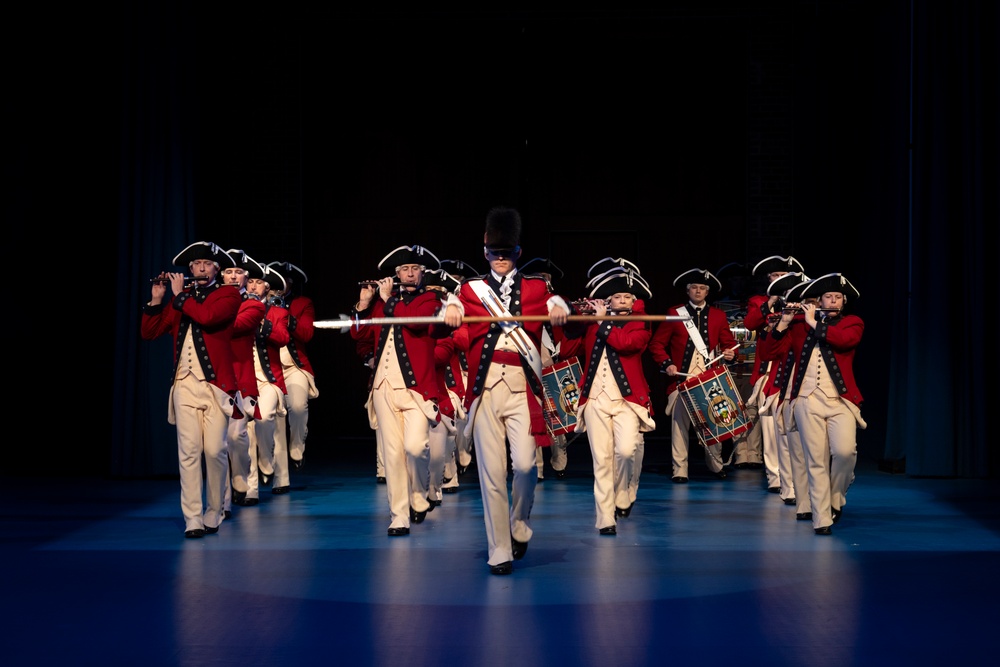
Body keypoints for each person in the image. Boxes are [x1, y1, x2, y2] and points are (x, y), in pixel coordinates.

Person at [441, 206, 570, 575]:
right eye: (494, 252)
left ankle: (519, 521)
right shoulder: (469, 290)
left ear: (518, 252)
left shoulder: (537, 287)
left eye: (507, 252)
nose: (500, 258)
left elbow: (557, 305)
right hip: (485, 390)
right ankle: (499, 549)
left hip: (521, 386)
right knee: (492, 474)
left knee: (526, 467)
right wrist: (450, 309)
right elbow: (452, 306)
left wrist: (560, 306)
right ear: (485, 251)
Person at [141, 241, 242, 538]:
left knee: (214, 451)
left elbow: (208, 317)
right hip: (184, 384)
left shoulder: (228, 294)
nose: (200, 268)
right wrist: (157, 299)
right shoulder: (180, 297)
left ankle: (214, 509)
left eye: (207, 264)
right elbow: (150, 332)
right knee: (188, 452)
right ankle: (193, 518)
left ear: (216, 269)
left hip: (216, 386)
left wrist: (179, 297)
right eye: (196, 264)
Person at [350, 245, 451, 536]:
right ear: (396, 274)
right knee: (393, 454)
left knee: (416, 448)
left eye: (415, 269)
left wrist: (386, 300)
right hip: (383, 386)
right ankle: (398, 515)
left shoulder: (431, 299)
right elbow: (359, 333)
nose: (410, 274)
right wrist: (363, 304)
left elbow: (414, 321)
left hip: (416, 388)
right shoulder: (382, 303)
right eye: (404, 269)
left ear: (422, 273)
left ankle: (419, 493)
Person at [759, 273, 865, 535]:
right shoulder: (798, 325)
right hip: (807, 400)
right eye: (828, 297)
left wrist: (812, 322)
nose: (833, 301)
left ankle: (836, 498)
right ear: (820, 300)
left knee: (845, 453)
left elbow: (846, 340)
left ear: (844, 301)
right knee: (815, 460)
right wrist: (783, 323)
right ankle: (821, 519)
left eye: (838, 297)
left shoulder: (852, 322)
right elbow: (769, 353)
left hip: (840, 401)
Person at [567, 265, 655, 535]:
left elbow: (627, 344)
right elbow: (568, 339)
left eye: (628, 297)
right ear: (608, 300)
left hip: (627, 400)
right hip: (595, 397)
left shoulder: (642, 321)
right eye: (618, 297)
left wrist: (601, 321)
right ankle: (605, 517)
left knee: (626, 451)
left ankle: (624, 490)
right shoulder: (592, 320)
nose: (623, 301)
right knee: (601, 459)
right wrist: (570, 312)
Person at [647, 268, 738, 483]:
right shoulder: (675, 313)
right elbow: (656, 344)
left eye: (702, 288)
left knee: (714, 423)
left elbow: (729, 344)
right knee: (680, 427)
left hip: (709, 379)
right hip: (681, 379)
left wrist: (731, 353)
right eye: (694, 287)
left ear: (707, 292)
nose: (698, 291)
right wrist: (667, 363)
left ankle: (716, 465)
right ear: (688, 291)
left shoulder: (718, 315)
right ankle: (680, 469)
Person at [743, 255, 807, 497]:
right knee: (770, 429)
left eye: (784, 276)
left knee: (792, 430)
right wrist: (770, 302)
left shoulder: (802, 302)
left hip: (793, 370)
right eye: (775, 276)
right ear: (769, 279)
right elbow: (750, 324)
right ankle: (775, 477)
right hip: (767, 370)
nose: (780, 279)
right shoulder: (760, 301)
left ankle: (795, 478)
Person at [520, 257, 575, 482]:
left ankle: (559, 461)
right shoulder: (524, 303)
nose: (545, 280)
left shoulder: (561, 302)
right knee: (533, 416)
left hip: (556, 361)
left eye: (547, 277)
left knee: (559, 412)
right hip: (531, 361)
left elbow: (571, 331)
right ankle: (538, 467)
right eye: (540, 277)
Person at [223, 249, 268, 510]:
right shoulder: (210, 301)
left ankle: (243, 477)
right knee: (216, 447)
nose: (232, 276)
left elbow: (235, 326)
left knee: (237, 437)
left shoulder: (253, 305)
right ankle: (222, 505)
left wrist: (206, 312)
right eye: (228, 271)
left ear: (245, 277)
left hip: (239, 380)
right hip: (214, 379)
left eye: (238, 272)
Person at [267, 261, 319, 471]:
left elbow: (307, 334)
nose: (279, 286)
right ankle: (271, 460)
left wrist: (285, 315)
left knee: (298, 406)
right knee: (271, 415)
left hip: (293, 366)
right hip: (268, 365)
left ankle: (297, 446)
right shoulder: (261, 301)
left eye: (284, 281)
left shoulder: (303, 303)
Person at [245, 263, 292, 496]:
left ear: (267, 288)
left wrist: (262, 321)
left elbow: (283, 337)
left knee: (263, 419)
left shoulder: (277, 313)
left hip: (268, 380)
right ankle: (250, 489)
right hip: (242, 380)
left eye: (259, 283)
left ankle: (266, 459)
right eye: (250, 282)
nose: (253, 286)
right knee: (244, 435)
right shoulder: (236, 308)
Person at [439, 258, 482, 479]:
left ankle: (464, 456)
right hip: (447, 369)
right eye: (452, 280)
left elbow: (467, 340)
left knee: (465, 419)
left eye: (459, 280)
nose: (456, 284)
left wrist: (452, 331)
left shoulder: (470, 304)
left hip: (467, 369)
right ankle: (451, 465)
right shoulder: (436, 304)